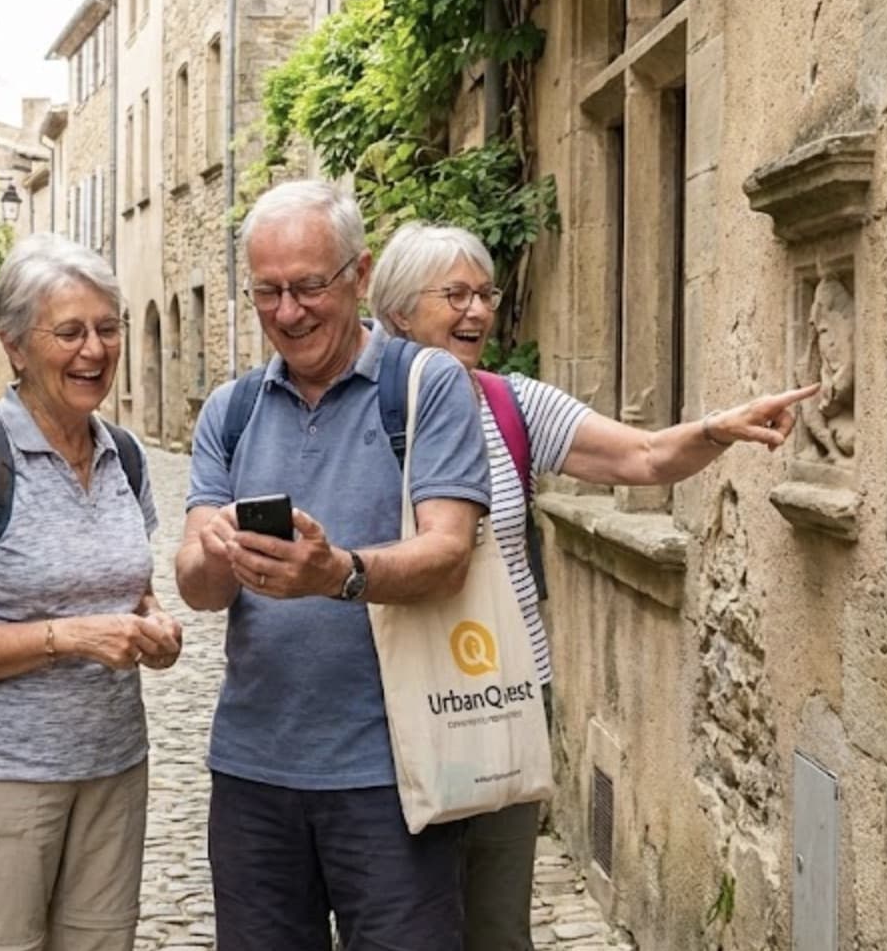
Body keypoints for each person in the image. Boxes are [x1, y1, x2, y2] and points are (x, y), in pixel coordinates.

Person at [367, 221, 816, 951]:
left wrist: (717, 428)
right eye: (455, 295)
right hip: (381, 706)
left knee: (495, 926)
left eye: (485, 293)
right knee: (393, 925)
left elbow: (642, 456)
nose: (477, 311)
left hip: (497, 696)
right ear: (397, 313)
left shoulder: (510, 405)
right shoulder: (361, 412)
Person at [175, 181, 491, 951]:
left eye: (309, 286)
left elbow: (448, 552)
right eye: (267, 292)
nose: (288, 312)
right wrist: (217, 553)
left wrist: (337, 572)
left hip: (391, 773)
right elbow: (194, 583)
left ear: (358, 273)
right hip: (252, 773)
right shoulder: (233, 408)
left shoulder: (425, 387)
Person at [0, 235, 184, 951]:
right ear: (16, 347)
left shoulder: (121, 453)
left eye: (107, 328)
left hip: (113, 769)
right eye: (68, 332)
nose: (93, 350)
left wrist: (154, 630)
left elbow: (132, 591)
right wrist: (71, 638)